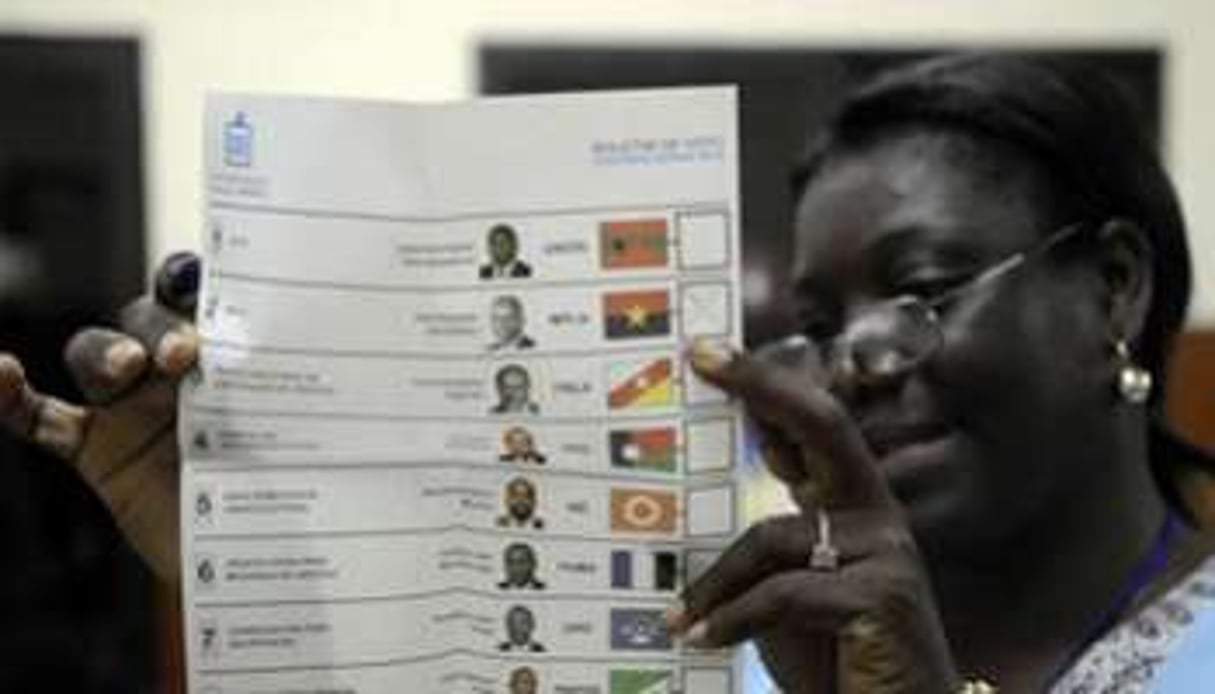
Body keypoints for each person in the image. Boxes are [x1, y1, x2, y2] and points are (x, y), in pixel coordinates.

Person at [3, 54, 1215, 692]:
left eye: (922, 286)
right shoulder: (728, 642)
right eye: (814, 317)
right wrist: (281, 598)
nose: (858, 361)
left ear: (1113, 286)